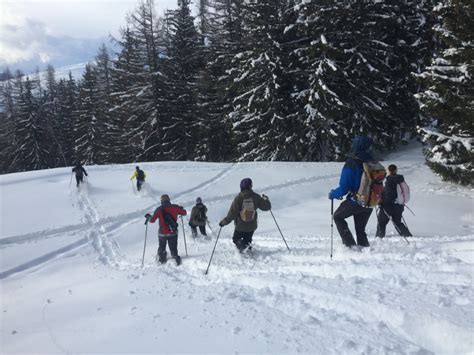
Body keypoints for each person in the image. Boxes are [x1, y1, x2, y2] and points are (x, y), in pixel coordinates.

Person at [328, 136, 374, 248]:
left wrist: (333, 194)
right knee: (360, 229)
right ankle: (364, 250)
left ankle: (350, 247)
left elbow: (344, 188)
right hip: (371, 201)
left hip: (356, 201)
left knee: (338, 217)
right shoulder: (372, 161)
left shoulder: (352, 163)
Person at [219, 178, 271, 252]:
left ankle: (242, 250)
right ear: (250, 186)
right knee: (248, 239)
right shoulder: (256, 197)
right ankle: (247, 250)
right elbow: (267, 207)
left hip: (240, 226)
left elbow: (232, 214)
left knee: (235, 239)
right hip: (252, 225)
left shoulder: (238, 198)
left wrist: (223, 222)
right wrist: (266, 200)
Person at [145, 194, 187, 265]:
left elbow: (152, 220)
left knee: (162, 246)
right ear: (169, 200)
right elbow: (184, 213)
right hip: (173, 232)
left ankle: (162, 259)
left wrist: (148, 217)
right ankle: (175, 257)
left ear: (161, 201)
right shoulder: (175, 207)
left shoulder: (159, 209)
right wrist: (181, 209)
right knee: (173, 247)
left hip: (162, 233)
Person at [376, 164, 412, 238]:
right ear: (396, 170)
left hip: (388, 206)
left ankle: (379, 238)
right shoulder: (400, 179)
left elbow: (389, 195)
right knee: (398, 222)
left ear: (388, 171)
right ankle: (408, 236)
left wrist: (382, 202)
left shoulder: (390, 181)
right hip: (399, 205)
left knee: (381, 222)